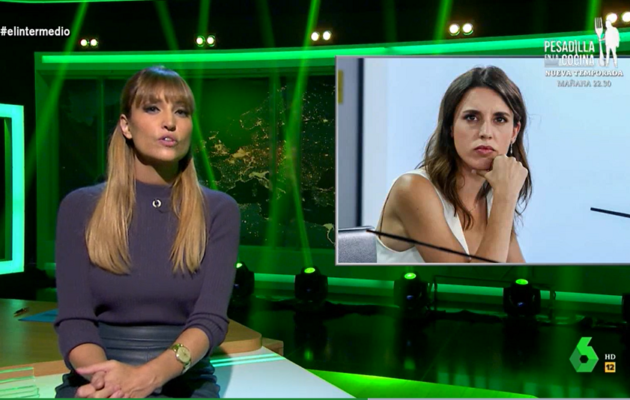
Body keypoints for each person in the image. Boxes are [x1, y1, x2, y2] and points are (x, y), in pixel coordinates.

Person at [53, 66, 241, 398]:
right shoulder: (79, 207)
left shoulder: (219, 210)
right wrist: (110, 382)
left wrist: (148, 377)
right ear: (126, 125)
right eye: (153, 108)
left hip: (183, 377)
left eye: (181, 112)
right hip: (98, 375)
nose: (170, 122)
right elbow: (74, 321)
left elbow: (210, 320)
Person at [376, 66, 532, 264]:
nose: (485, 132)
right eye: (471, 117)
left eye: (500, 119)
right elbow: (472, 280)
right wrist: (506, 198)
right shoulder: (412, 189)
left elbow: (519, 274)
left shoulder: (494, 193)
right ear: (450, 127)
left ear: (514, 132)